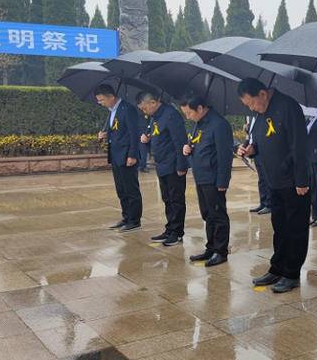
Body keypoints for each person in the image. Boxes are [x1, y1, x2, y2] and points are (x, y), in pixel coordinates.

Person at [236, 78, 311, 294]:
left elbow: (300, 146)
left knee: (295, 229)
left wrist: (302, 180)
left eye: (252, 103)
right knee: (280, 228)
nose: (252, 108)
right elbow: (260, 142)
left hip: (294, 182)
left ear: (262, 93)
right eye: (247, 105)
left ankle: (291, 273)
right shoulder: (261, 114)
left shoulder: (288, 107)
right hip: (274, 181)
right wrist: (251, 150)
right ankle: (277, 268)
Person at [181, 96, 233, 267]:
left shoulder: (219, 124)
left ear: (200, 108)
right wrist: (188, 149)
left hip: (213, 178)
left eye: (189, 113)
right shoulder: (199, 124)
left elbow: (225, 156)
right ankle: (211, 248)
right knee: (207, 214)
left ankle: (221, 251)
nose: (188, 117)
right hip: (201, 176)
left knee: (218, 215)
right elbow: (199, 146)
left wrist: (223, 181)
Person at [136, 91, 189, 247]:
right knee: (167, 199)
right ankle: (170, 228)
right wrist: (147, 140)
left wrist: (181, 165)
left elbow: (180, 142)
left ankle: (177, 232)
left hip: (173, 165)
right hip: (161, 164)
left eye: (144, 108)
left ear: (153, 102)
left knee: (176, 199)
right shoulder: (155, 116)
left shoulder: (171, 115)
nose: (144, 111)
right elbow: (157, 137)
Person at [95, 84, 143, 232]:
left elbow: (134, 133)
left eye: (101, 100)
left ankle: (134, 220)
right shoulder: (112, 111)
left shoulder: (127, 109)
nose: (100, 103)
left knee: (131, 189)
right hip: (115, 155)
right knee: (121, 189)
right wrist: (104, 134)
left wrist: (132, 155)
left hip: (127, 156)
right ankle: (126, 217)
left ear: (111, 97)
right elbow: (116, 131)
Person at [245, 115, 272, 215]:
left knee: (266, 178)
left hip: (263, 151)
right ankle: (263, 203)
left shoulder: (263, 117)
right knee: (261, 180)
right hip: (255, 151)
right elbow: (251, 137)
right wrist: (245, 146)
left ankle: (269, 204)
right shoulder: (252, 118)